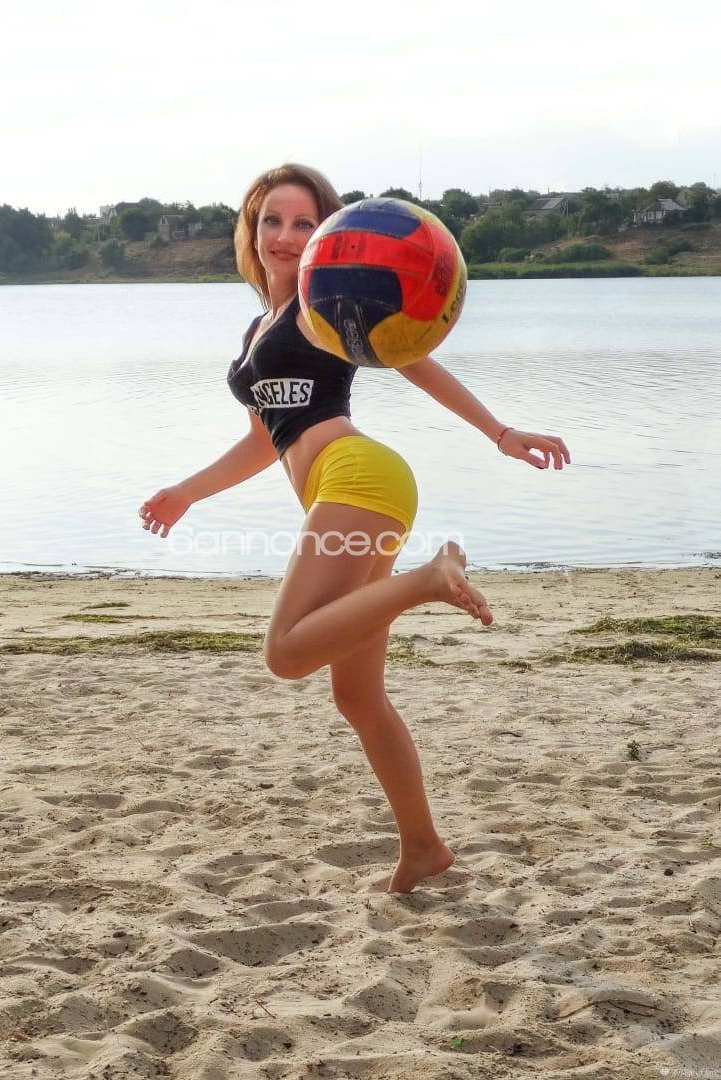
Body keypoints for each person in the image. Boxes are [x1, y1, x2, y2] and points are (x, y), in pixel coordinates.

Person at [139, 163, 570, 893]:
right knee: (359, 698)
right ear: (252, 231)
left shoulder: (325, 305)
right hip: (356, 493)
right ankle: (424, 848)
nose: (284, 236)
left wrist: (499, 433)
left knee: (285, 652)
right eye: (271, 220)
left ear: (327, 235)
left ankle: (430, 579)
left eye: (303, 223)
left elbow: (412, 358)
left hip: (358, 479)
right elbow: (265, 440)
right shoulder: (260, 327)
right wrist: (188, 492)